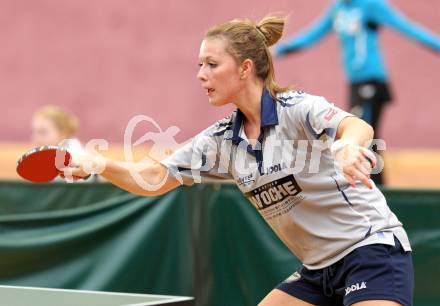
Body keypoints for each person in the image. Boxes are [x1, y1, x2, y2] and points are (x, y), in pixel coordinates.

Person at [62, 15, 413, 306]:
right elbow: (156, 176)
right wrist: (97, 163)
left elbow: (356, 125)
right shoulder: (220, 141)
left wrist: (349, 147)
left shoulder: (297, 109)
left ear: (245, 68)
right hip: (318, 269)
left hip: (371, 250)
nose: (201, 74)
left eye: (212, 64)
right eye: (200, 65)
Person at [275, 0, 440, 185]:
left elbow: (407, 27)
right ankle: (379, 189)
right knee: (369, 141)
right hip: (354, 84)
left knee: (361, 138)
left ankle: (375, 190)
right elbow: (313, 34)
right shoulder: (337, 8)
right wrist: (278, 50)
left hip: (371, 81)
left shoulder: (371, 5)